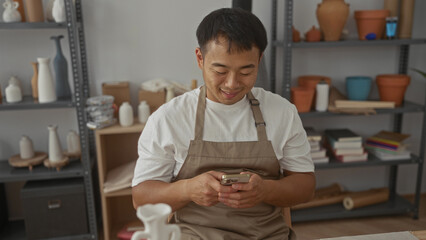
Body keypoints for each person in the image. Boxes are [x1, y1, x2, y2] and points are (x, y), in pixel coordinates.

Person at [132, 7, 315, 240]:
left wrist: (266, 190)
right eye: (220, 71)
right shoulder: (169, 118)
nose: (232, 84)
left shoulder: (282, 112)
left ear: (259, 60)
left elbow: (306, 187)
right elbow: (141, 198)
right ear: (200, 58)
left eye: (246, 72)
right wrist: (188, 189)